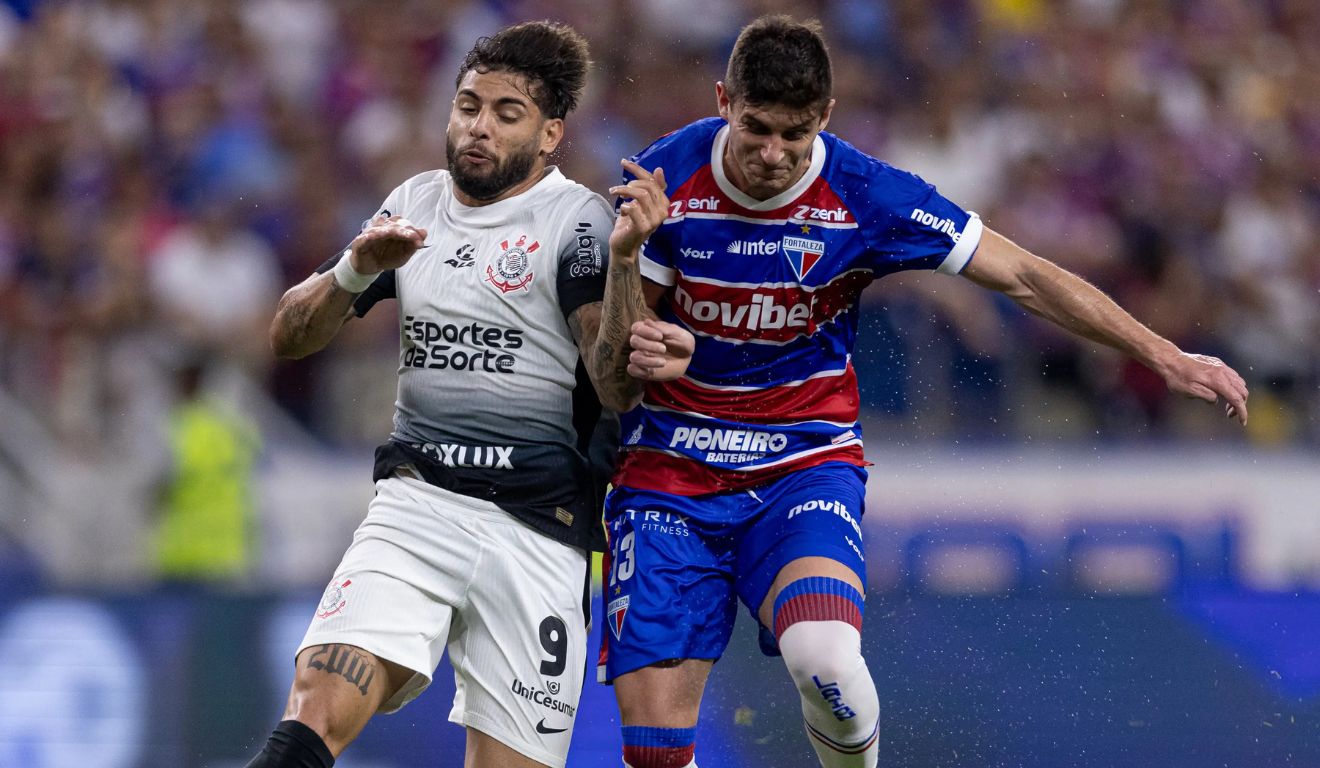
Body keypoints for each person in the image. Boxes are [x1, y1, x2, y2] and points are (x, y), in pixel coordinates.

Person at [600, 15, 1250, 768]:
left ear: (826, 117)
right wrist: (644, 313)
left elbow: (1023, 275)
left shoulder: (867, 193)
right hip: (671, 473)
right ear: (724, 102)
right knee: (653, 753)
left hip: (800, 466)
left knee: (826, 662)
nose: (773, 154)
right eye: (756, 129)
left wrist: (1161, 352)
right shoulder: (663, 180)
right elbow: (618, 371)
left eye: (795, 134)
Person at [249, 21, 664, 768]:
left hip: (539, 533)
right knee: (315, 707)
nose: (479, 127)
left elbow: (617, 387)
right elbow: (288, 335)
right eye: (468, 106)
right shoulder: (414, 202)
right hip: (417, 507)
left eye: (507, 114)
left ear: (550, 135)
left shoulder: (577, 223)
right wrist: (354, 269)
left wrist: (626, 261)